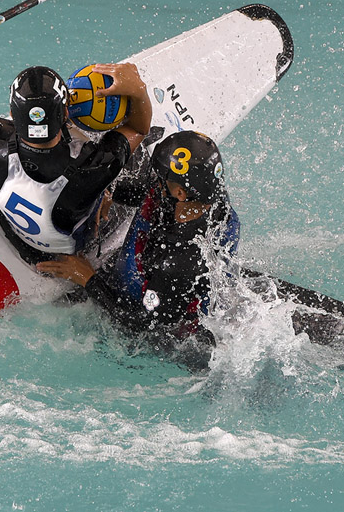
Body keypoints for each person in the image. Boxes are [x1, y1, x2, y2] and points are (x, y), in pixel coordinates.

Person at [0, 0, 152, 258]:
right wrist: (138, 88)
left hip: (20, 238)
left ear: (9, 114)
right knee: (141, 159)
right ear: (67, 113)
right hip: (73, 247)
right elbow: (138, 128)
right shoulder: (93, 167)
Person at [36, 130, 240, 365]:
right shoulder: (204, 193)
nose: (157, 179)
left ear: (180, 192)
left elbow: (140, 323)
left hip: (160, 326)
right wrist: (114, 193)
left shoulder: (180, 260)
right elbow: (152, 192)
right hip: (170, 287)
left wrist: (87, 278)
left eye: (163, 177)